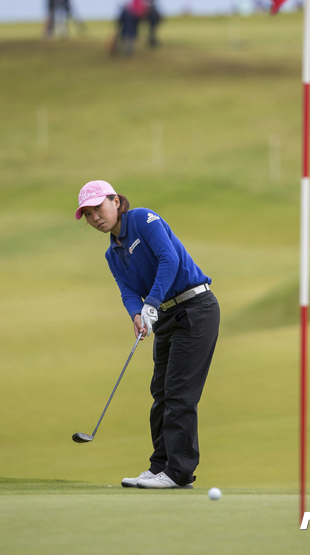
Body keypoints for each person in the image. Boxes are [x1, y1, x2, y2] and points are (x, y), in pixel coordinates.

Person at [75, 180, 220, 489]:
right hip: (166, 315)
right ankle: (160, 467)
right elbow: (127, 291)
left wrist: (151, 302)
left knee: (179, 393)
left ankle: (179, 473)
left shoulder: (142, 219)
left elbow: (170, 259)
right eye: (87, 214)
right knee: (161, 393)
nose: (95, 218)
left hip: (195, 308)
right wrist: (138, 314)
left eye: (98, 208)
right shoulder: (112, 253)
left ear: (115, 201)